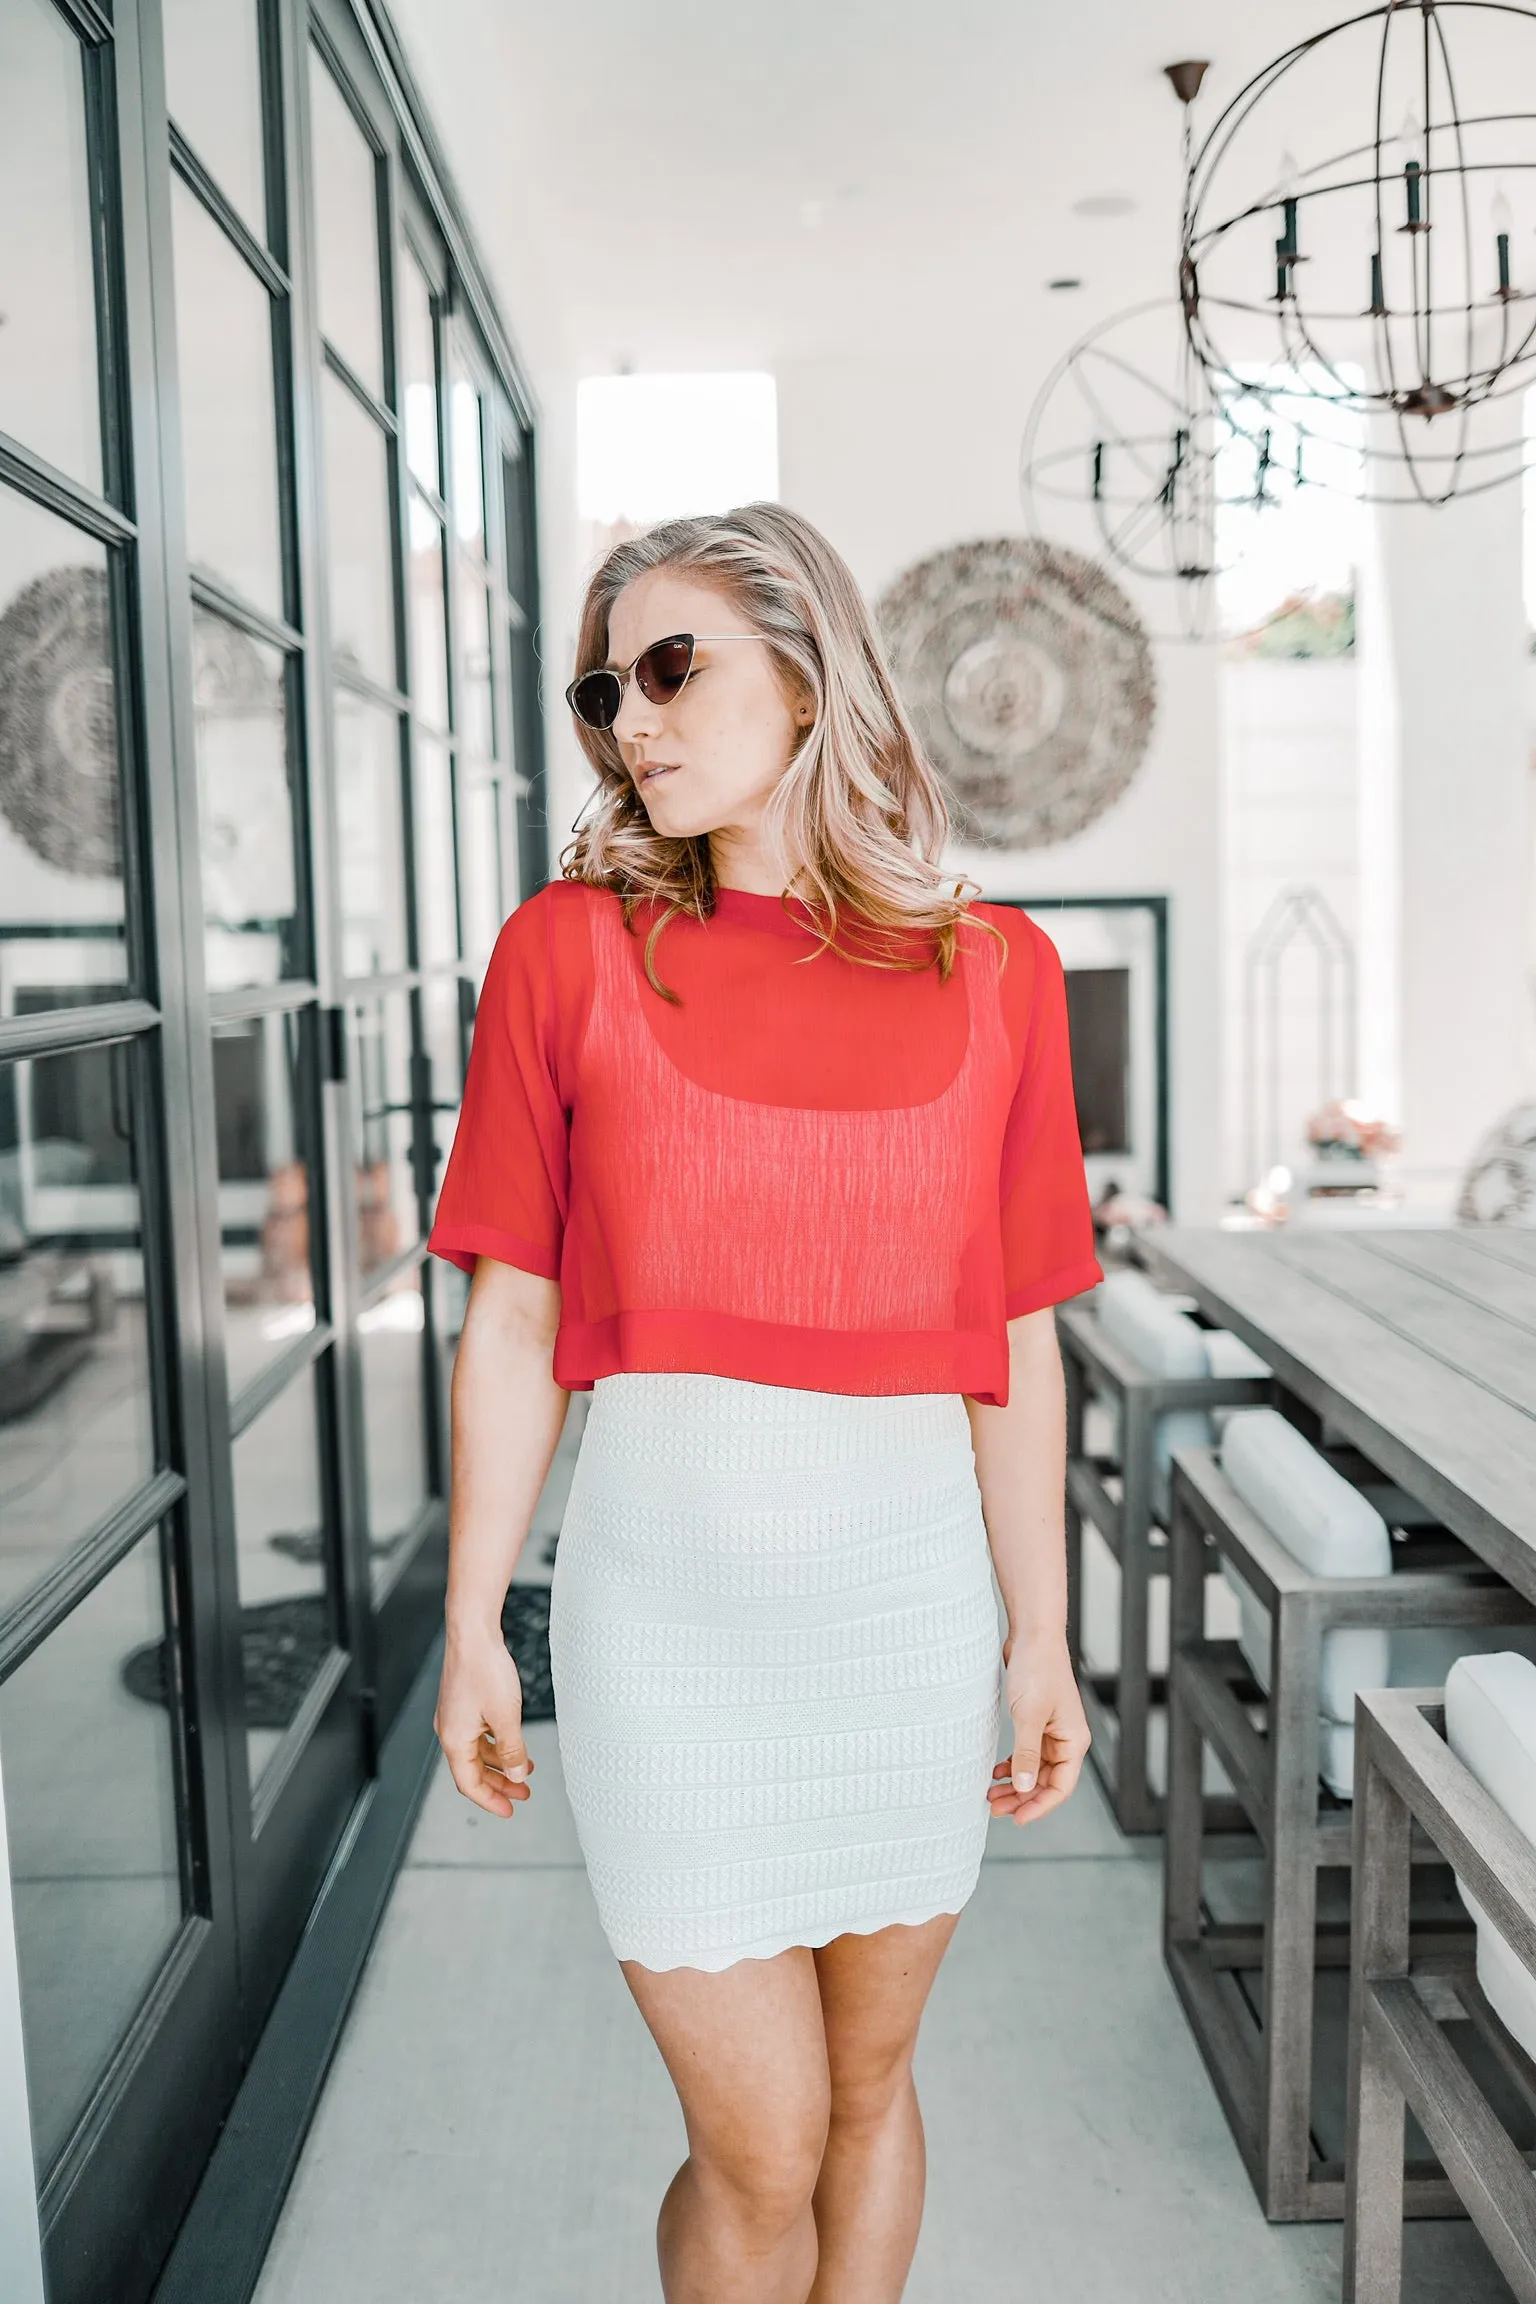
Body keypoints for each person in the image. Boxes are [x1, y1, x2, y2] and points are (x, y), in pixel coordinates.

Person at [427, 502, 1102, 2304]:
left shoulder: (999, 973)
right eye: (606, 686)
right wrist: (476, 1618)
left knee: (872, 2098)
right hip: (666, 1634)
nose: (631, 717)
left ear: (809, 680)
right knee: (763, 2144)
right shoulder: (567, 953)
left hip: (903, 1623)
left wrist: (1042, 1636)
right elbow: (512, 1318)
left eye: (673, 665)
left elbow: (1018, 1342)